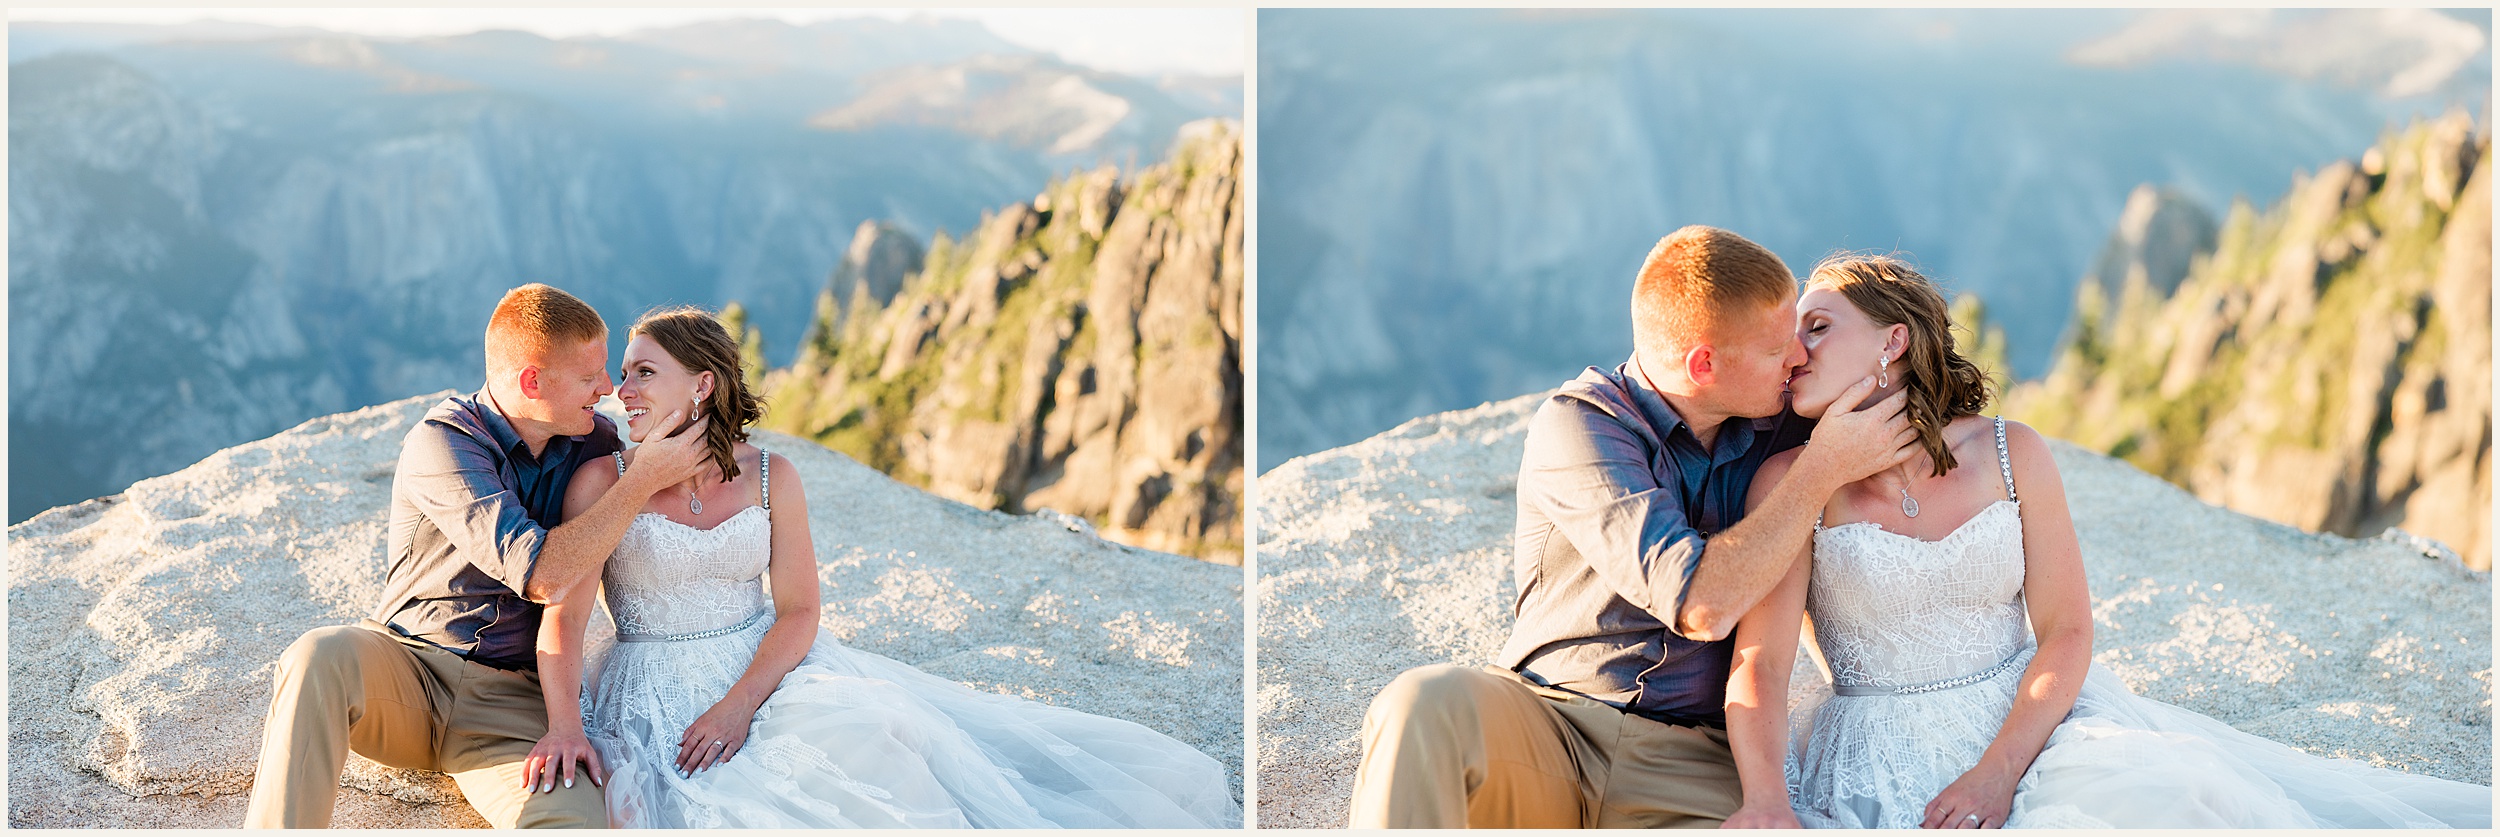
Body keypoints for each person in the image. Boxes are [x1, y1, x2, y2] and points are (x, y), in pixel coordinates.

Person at [1721, 254, 2492, 829]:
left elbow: (2068, 630)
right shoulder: (1790, 481)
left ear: (1893, 341)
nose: (1796, 353)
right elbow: (1765, 662)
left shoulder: (2011, 452)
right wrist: (1766, 803)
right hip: (1869, 754)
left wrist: (1997, 773)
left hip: (2024, 720)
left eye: (1817, 327)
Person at [524, 306, 1241, 828]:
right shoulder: (601, 483)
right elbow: (567, 616)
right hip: (649, 692)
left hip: (760, 667)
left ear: (703, 384)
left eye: (644, 372)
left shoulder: (774, 477)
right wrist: (565, 726)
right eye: (623, 376)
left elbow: (800, 609)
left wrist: (740, 704)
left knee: (878, 740)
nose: (625, 391)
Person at [1346, 226, 1919, 828]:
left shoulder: (1780, 416)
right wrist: (1817, 474)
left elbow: (1911, 414)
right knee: (1419, 704)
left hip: (1697, 760)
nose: (1799, 357)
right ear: (1704, 364)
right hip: (1552, 724)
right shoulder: (1581, 428)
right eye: (1778, 350)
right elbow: (1705, 603)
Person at [244, 284, 714, 828]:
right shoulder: (443, 444)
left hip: (514, 709)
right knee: (316, 656)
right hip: (409, 670)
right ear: (532, 381)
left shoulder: (595, 446)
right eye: (590, 378)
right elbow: (543, 576)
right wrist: (642, 482)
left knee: (575, 822)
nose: (608, 388)